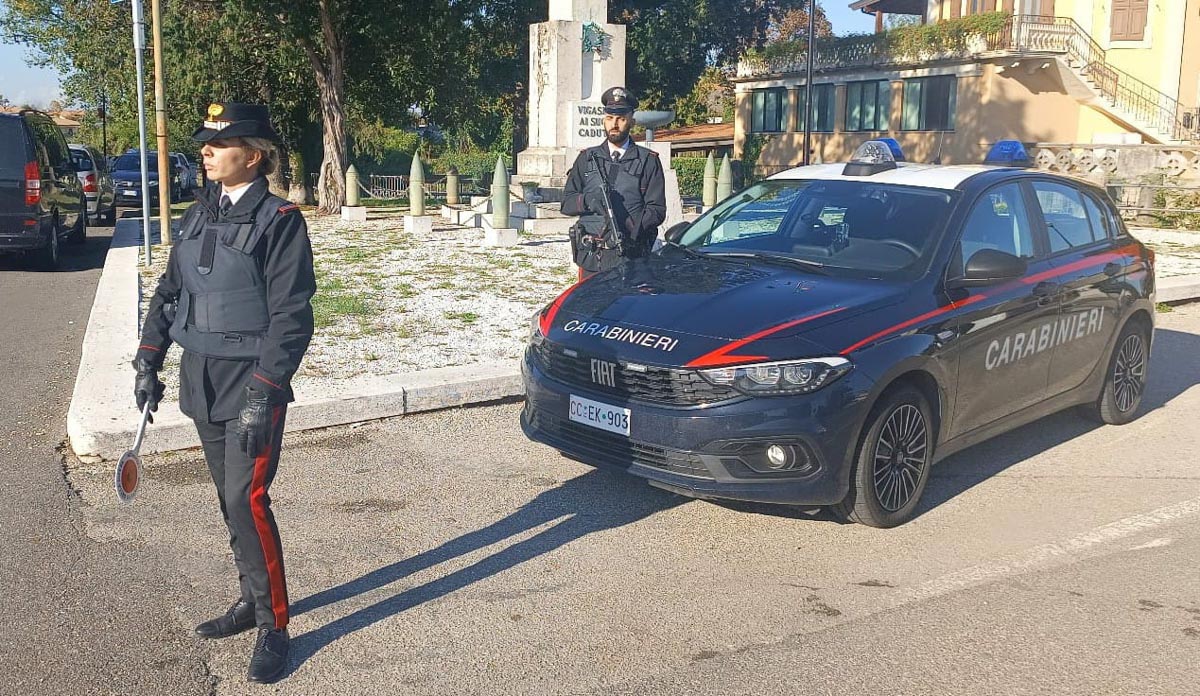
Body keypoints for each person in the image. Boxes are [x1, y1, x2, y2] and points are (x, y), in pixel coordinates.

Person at [132, 102, 315, 684]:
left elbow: (292, 317)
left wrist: (266, 390)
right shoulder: (197, 214)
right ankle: (247, 598)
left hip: (249, 382)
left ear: (253, 155)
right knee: (227, 499)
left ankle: (274, 624)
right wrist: (147, 359)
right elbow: (169, 293)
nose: (205, 152)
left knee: (247, 500)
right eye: (205, 144)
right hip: (200, 378)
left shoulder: (281, 220)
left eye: (220, 144)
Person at [562, 86, 666, 279]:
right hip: (592, 258)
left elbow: (657, 210)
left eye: (621, 118)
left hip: (631, 257)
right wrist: (588, 201)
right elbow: (566, 203)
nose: (614, 124)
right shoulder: (587, 158)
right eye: (609, 118)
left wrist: (631, 229)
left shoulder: (648, 161)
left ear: (632, 122)